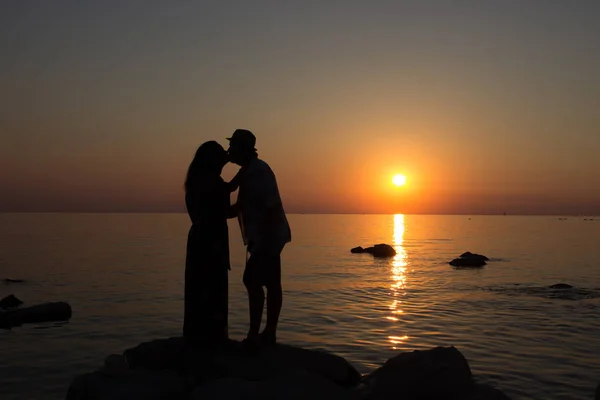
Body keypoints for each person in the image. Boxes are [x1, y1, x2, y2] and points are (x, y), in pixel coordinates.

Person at [227, 129, 291, 351]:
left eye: (233, 146)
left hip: (269, 237)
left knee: (252, 280)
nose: (229, 150)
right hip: (265, 237)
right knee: (271, 284)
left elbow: (272, 208)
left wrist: (265, 241)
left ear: (243, 149)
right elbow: (233, 194)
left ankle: (257, 334)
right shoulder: (247, 170)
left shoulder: (259, 172)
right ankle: (266, 334)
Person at [183, 140, 238, 348]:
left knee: (198, 292)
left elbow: (228, 189)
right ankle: (213, 341)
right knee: (213, 290)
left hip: (198, 241)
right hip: (211, 243)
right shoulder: (212, 182)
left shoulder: (198, 180)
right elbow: (225, 210)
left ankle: (197, 339)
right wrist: (243, 204)